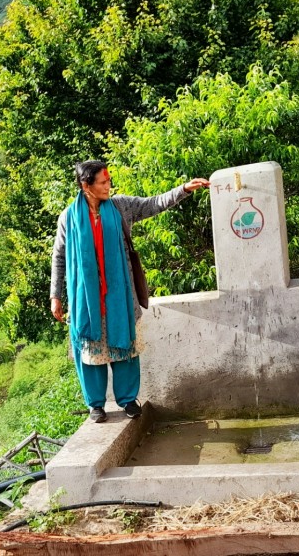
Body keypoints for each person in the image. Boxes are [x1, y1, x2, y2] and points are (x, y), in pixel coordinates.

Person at [50, 160, 209, 423]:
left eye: (108, 180)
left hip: (119, 296)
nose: (108, 186)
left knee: (124, 346)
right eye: (103, 182)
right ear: (86, 186)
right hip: (87, 300)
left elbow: (153, 204)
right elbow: (59, 257)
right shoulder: (68, 218)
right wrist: (55, 296)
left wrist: (184, 189)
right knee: (91, 351)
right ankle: (96, 405)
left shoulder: (120, 206)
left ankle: (127, 400)